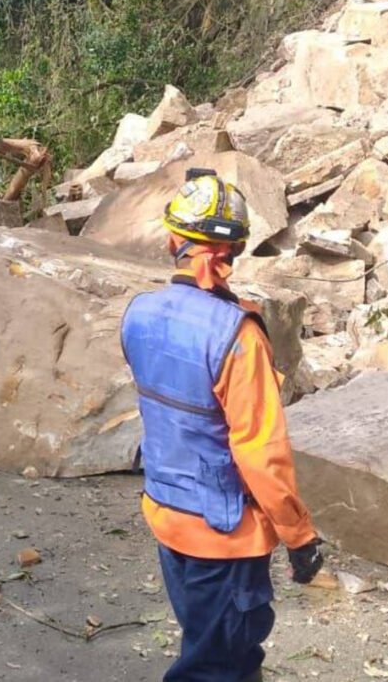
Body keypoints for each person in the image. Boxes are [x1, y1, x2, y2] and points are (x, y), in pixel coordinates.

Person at [120, 169, 323, 682]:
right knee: (217, 666)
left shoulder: (139, 314)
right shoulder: (238, 335)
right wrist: (299, 536)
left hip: (167, 514)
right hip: (225, 535)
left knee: (215, 648)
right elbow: (260, 452)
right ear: (235, 251)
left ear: (173, 240)